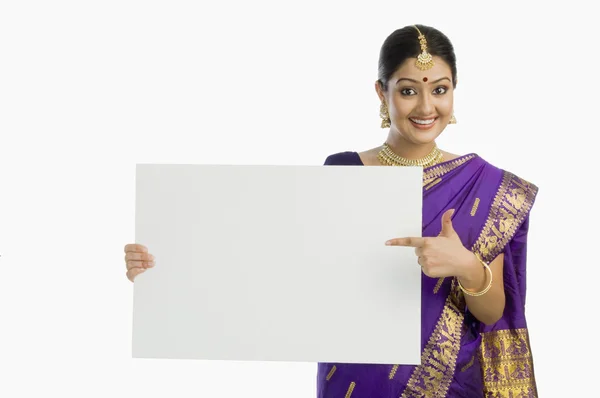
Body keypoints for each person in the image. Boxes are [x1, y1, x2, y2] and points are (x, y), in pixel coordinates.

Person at [124, 24, 538, 397]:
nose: (426, 106)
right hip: (351, 381)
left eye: (440, 89)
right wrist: (164, 272)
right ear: (382, 92)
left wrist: (467, 267)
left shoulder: (483, 186)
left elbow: (492, 312)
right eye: (408, 90)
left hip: (447, 384)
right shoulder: (343, 171)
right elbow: (274, 266)